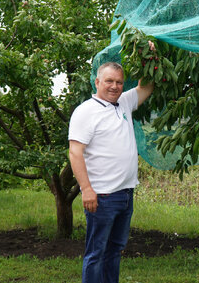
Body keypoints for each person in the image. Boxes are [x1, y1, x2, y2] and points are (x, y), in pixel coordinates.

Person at [68, 60, 154, 283]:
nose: (114, 86)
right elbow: (75, 152)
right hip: (102, 196)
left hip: (125, 194)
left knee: (114, 250)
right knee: (96, 253)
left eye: (119, 82)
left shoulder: (123, 103)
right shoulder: (85, 112)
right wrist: (86, 189)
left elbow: (146, 87)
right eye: (109, 81)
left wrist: (148, 59)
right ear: (97, 82)